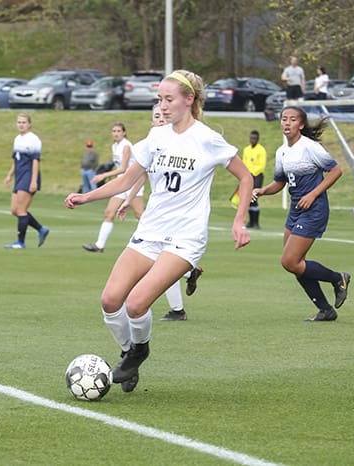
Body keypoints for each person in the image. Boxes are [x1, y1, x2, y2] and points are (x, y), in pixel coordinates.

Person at [65, 70, 252, 393]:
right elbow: (126, 181)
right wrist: (87, 197)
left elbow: (246, 177)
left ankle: (139, 351)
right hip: (150, 232)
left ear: (189, 100)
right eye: (159, 100)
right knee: (110, 300)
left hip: (185, 238)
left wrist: (239, 221)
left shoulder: (207, 139)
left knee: (137, 304)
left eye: (168, 99)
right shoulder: (157, 138)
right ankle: (129, 353)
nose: (162, 106)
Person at [252, 106, 350, 322]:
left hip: (314, 209)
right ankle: (326, 310)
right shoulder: (282, 151)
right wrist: (263, 191)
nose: (287, 123)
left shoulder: (309, 147)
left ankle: (338, 278)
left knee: (290, 261)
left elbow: (335, 171)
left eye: (292, 119)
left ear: (301, 125)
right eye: (284, 119)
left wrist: (313, 195)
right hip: (296, 209)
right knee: (296, 265)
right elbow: (280, 182)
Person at [116, 104, 203, 322]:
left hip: (179, 220)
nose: (161, 118)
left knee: (159, 264)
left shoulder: (182, 144)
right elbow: (140, 175)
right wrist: (128, 199)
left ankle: (178, 305)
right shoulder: (150, 145)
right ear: (152, 121)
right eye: (157, 116)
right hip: (158, 219)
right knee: (158, 263)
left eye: (164, 115)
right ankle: (181, 298)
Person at [82, 122, 144, 253]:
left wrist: (103, 175)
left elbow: (123, 168)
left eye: (118, 131)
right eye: (113, 131)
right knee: (109, 212)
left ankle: (157, 241)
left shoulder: (126, 146)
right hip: (121, 183)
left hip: (132, 182)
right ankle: (99, 245)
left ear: (124, 133)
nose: (115, 133)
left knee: (140, 215)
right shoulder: (115, 146)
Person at [3, 113, 49, 249]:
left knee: (22, 209)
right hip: (19, 177)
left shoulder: (33, 140)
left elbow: (35, 161)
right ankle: (41, 229)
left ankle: (20, 242)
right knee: (14, 210)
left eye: (23, 122)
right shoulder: (17, 139)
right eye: (19, 122)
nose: (21, 124)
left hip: (28, 177)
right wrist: (9, 175)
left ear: (29, 124)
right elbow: (16, 160)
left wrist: (33, 181)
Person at [242, 130, 267, 229]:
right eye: (251, 138)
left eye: (254, 138)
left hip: (257, 176)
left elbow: (261, 165)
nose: (252, 140)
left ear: (258, 139)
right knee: (247, 199)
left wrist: (252, 172)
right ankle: (251, 222)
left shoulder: (261, 150)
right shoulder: (246, 149)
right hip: (247, 176)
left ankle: (256, 222)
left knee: (254, 198)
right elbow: (244, 162)